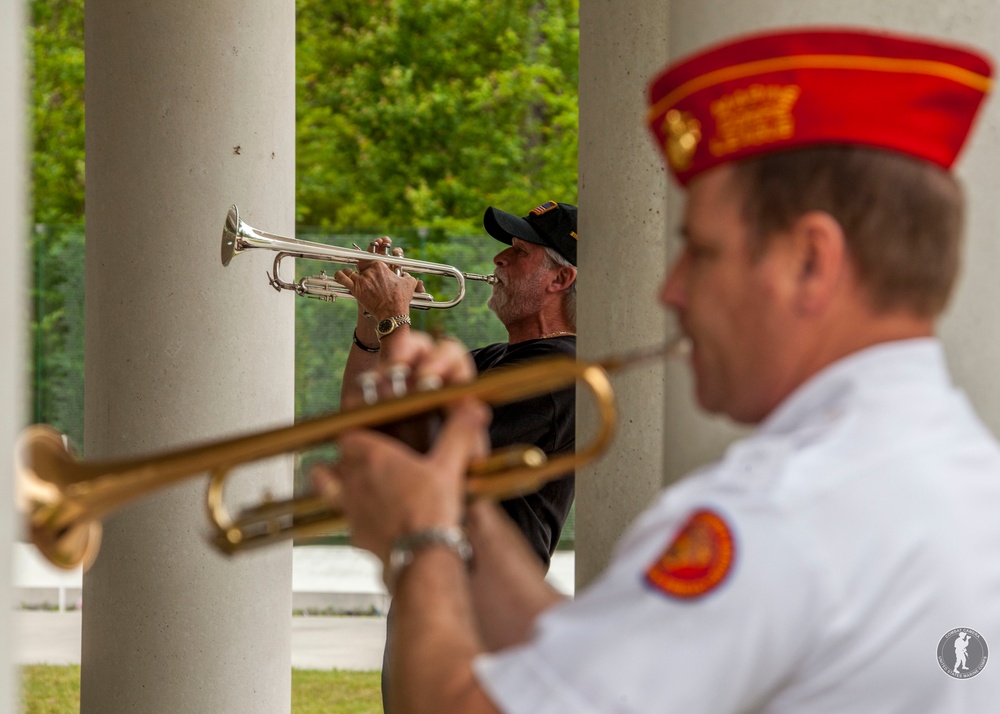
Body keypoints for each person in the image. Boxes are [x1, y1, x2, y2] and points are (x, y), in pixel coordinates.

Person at [315, 27, 1000, 713]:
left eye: (702, 253)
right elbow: (584, 657)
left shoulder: (774, 513)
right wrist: (458, 499)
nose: (671, 292)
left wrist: (420, 540)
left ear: (811, 262)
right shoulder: (962, 472)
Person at [335, 200, 579, 568]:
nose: (499, 258)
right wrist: (371, 323)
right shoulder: (491, 358)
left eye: (519, 251)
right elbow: (365, 423)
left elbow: (420, 453)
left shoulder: (557, 368)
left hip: (484, 599)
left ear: (560, 279)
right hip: (431, 579)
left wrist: (393, 318)